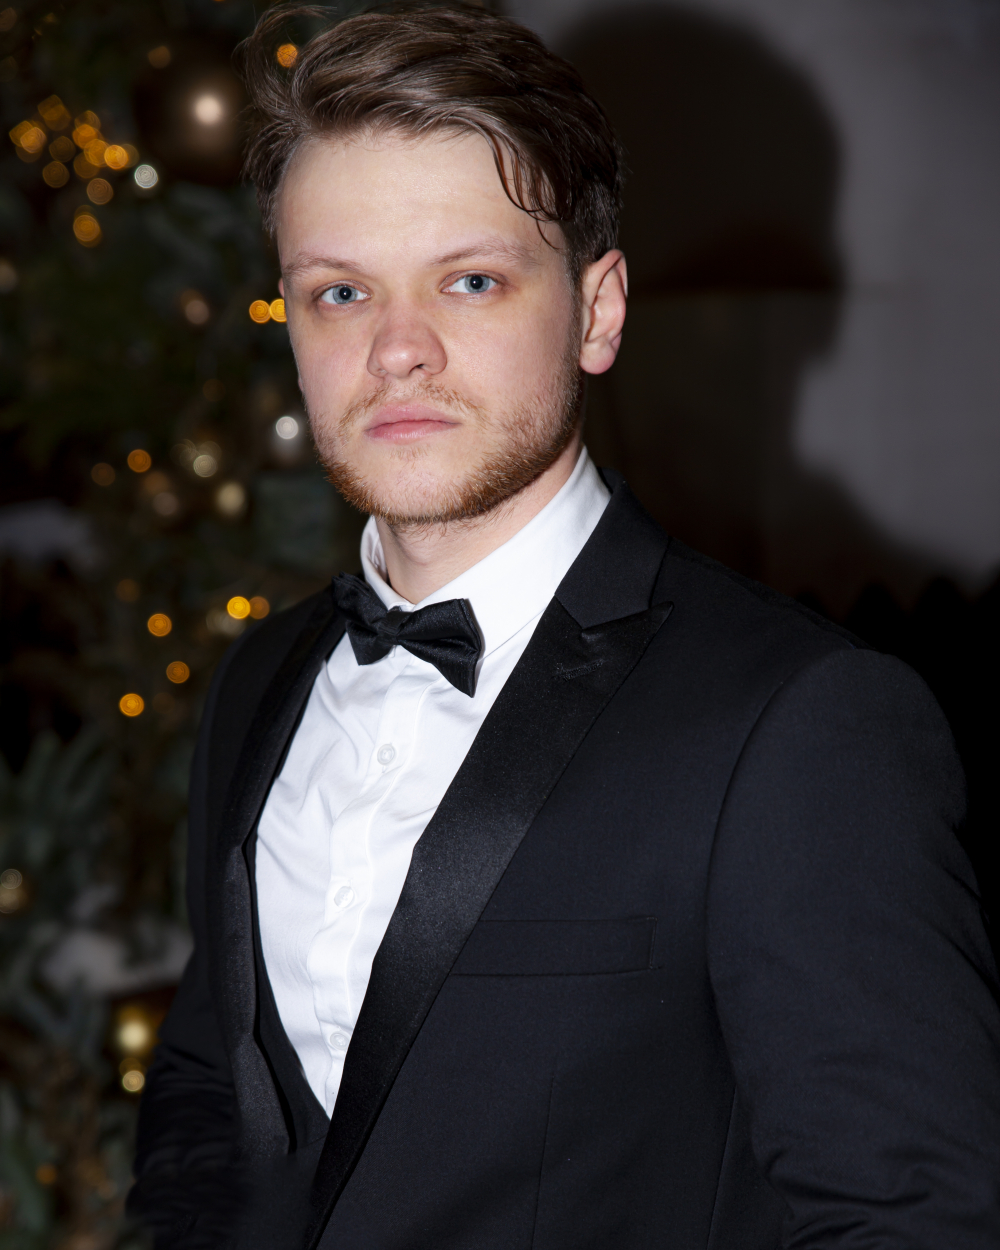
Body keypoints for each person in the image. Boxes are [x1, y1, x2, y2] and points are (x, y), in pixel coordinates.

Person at [129, 6, 1000, 1249]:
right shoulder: (261, 678)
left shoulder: (801, 722)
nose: (397, 349)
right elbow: (211, 1087)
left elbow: (910, 1218)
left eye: (470, 280)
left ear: (597, 311)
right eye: (341, 292)